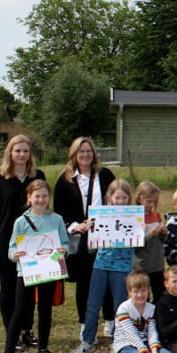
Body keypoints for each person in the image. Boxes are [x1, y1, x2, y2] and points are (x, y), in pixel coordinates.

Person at [0, 134, 46, 350]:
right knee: (9, 288)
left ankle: (27, 330)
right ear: (10, 152)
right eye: (17, 150)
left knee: (29, 288)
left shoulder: (37, 176)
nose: (22, 154)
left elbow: (44, 206)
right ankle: (12, 332)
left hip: (32, 241)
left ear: (30, 154)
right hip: (4, 241)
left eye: (25, 151)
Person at [54, 137, 116, 338]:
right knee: (85, 283)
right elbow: (59, 211)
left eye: (89, 151)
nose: (86, 155)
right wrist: (75, 226)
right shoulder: (65, 180)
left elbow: (119, 200)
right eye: (81, 151)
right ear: (74, 154)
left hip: (105, 236)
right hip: (80, 240)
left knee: (107, 278)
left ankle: (110, 321)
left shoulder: (105, 175)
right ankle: (85, 325)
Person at [69, 179, 138, 353]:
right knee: (93, 304)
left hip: (122, 267)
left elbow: (138, 245)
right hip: (101, 264)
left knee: (120, 306)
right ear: (110, 197)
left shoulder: (134, 217)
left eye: (124, 198)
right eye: (117, 197)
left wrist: (142, 231)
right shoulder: (100, 215)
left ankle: (119, 342)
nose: (121, 201)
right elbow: (92, 248)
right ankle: (87, 342)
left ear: (129, 198)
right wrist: (91, 230)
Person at [3, 180, 69, 353]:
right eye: (37, 196)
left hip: (49, 272)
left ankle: (42, 349)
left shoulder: (57, 219)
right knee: (20, 310)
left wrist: (63, 252)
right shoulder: (20, 222)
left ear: (49, 198)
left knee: (45, 309)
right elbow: (10, 248)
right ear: (29, 198)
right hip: (26, 272)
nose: (41, 199)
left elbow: (64, 244)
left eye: (44, 196)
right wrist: (15, 254)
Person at [112, 271, 175, 353]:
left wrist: (154, 350)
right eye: (136, 291)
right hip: (126, 345)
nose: (140, 295)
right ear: (129, 292)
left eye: (143, 290)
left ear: (148, 290)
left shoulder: (151, 308)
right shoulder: (124, 308)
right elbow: (131, 334)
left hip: (146, 342)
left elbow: (152, 331)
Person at [133, 181, 167, 301]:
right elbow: (134, 241)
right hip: (142, 264)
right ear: (140, 198)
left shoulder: (156, 215)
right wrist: (149, 235)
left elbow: (162, 240)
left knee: (159, 293)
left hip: (157, 262)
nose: (151, 204)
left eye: (154, 202)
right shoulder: (134, 216)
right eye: (149, 201)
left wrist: (163, 233)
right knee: (143, 294)